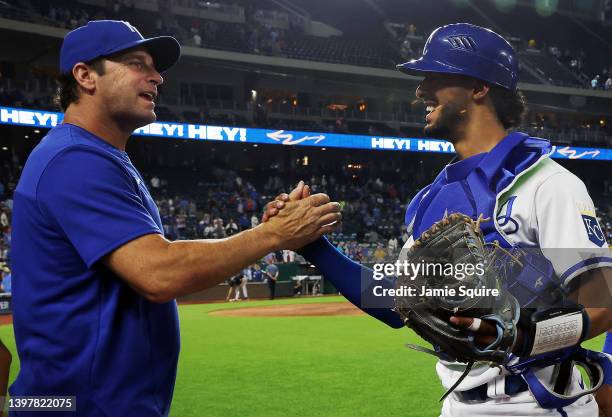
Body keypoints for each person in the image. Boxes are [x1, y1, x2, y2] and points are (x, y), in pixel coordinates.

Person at [264, 23, 611, 417]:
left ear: (479, 87)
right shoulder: (429, 201)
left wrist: (521, 335)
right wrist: (312, 245)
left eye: (436, 76)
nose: (421, 91)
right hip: (458, 405)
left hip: (539, 403)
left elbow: (603, 304)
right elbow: (396, 304)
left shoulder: (547, 184)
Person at [10, 20, 341, 416]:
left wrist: (272, 233)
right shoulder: (74, 159)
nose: (157, 77)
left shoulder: (96, 155)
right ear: (85, 76)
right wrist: (274, 234)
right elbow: (158, 272)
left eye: (155, 67)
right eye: (136, 63)